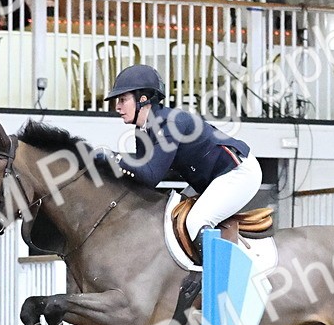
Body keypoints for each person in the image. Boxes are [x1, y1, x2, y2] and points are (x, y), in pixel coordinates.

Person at [94, 64, 262, 243]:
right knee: (172, 219)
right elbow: (142, 181)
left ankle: (221, 271)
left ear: (142, 99)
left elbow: (151, 176)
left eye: (122, 100)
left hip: (238, 173)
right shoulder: (143, 129)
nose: (117, 107)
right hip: (214, 178)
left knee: (196, 221)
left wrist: (115, 158)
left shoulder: (172, 123)